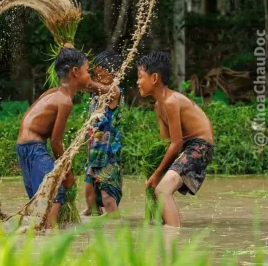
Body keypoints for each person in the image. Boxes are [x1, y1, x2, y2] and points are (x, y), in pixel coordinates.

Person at [17, 47, 97, 228]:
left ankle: (42, 235)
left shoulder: (54, 92)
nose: (89, 76)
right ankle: (50, 237)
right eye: (87, 70)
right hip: (34, 146)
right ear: (75, 72)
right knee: (55, 192)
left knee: (41, 200)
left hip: (23, 146)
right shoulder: (65, 101)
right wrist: (67, 174)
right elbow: (56, 141)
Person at [137, 51, 214, 227]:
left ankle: (173, 237)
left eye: (140, 77)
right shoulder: (159, 105)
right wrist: (154, 171)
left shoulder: (171, 101)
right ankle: (167, 229)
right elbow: (166, 143)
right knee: (160, 188)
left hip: (199, 145)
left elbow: (176, 142)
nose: (137, 82)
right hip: (187, 147)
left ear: (154, 77)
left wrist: (156, 174)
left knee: (163, 189)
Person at [82, 51, 124, 217]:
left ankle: (115, 226)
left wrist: (85, 78)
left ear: (114, 74)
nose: (97, 79)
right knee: (88, 194)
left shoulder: (114, 92)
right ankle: (93, 222)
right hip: (93, 154)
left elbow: (90, 85)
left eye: (101, 75)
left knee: (107, 197)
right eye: (95, 75)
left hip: (108, 155)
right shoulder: (96, 94)